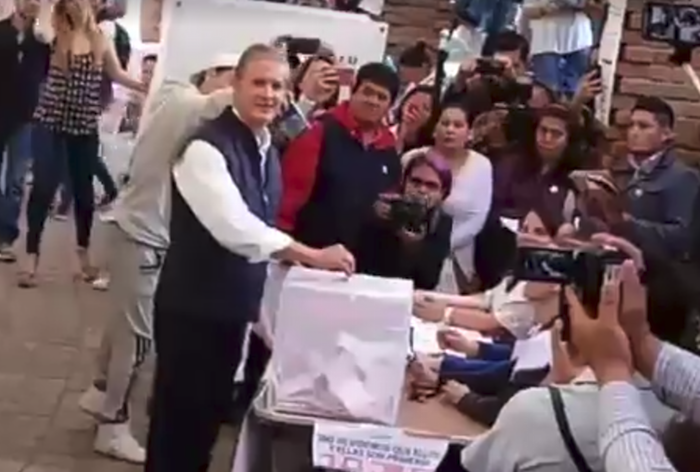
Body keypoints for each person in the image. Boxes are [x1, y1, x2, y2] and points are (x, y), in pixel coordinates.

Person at [144, 44, 355, 472]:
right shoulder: (205, 148)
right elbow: (235, 228)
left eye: (277, 86)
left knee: (204, 429)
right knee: (178, 431)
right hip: (193, 312)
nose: (268, 94)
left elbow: (258, 236)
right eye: (259, 83)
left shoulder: (264, 147)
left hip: (229, 312)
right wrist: (312, 255)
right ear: (236, 84)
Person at [76, 53, 238, 464]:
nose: (236, 88)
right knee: (138, 342)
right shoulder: (189, 103)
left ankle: (100, 393)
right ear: (212, 73)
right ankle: (113, 425)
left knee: (121, 331)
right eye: (234, 78)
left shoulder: (173, 97)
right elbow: (217, 103)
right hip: (143, 236)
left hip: (132, 229)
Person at [17, 0, 144, 288]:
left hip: (84, 126)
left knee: (84, 194)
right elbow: (39, 23)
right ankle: (31, 256)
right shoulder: (53, 35)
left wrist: (144, 86)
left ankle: (83, 254)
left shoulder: (101, 39)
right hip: (51, 123)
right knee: (43, 187)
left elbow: (116, 74)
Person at [278, 61, 401, 254]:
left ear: (390, 105)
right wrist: (283, 246)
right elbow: (290, 196)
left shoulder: (389, 149)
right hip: (309, 255)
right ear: (353, 90)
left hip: (361, 260)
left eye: (381, 97)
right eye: (367, 92)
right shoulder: (320, 131)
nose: (373, 101)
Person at [610, 97, 700, 344]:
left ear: (666, 134)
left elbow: (683, 237)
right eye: (631, 125)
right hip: (616, 278)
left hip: (660, 290)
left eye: (644, 126)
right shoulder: (620, 172)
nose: (634, 132)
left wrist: (631, 225)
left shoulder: (682, 177)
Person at [404, 102, 492, 292]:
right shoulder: (411, 158)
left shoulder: (482, 166)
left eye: (458, 125)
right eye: (445, 123)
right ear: (434, 128)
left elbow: (477, 219)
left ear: (470, 133)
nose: (450, 130)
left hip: (457, 253)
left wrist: (437, 247)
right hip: (405, 249)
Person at [354, 151, 452, 289]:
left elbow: (429, 281)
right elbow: (362, 264)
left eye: (431, 186)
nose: (422, 190)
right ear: (404, 182)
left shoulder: (441, 223)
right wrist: (375, 219)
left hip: (409, 293)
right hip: (371, 286)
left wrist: (413, 248)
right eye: (415, 181)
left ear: (442, 193)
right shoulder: (384, 209)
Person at [0, 0, 51, 262]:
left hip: (25, 118)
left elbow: (47, 77)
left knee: (16, 180)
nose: (32, 3)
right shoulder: (1, 31)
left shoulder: (42, 41)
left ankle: (5, 237)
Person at [523, 0, 593, 95]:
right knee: (547, 94)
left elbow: (598, 8)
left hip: (579, 41)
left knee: (578, 92)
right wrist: (546, 8)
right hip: (545, 44)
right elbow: (527, 10)